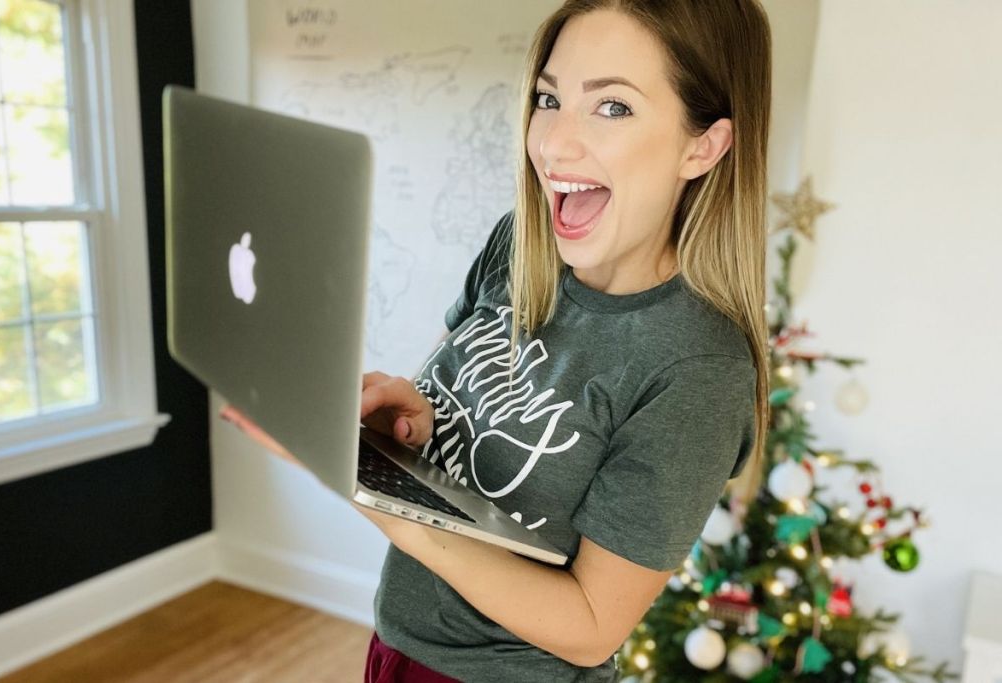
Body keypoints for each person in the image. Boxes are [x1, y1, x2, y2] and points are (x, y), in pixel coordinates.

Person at [220, 0, 772, 680]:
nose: (554, 143)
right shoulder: (522, 241)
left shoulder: (696, 367)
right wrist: (413, 421)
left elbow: (593, 627)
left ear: (704, 145)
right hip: (397, 646)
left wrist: (374, 496)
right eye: (548, 98)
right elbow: (465, 421)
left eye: (613, 107)